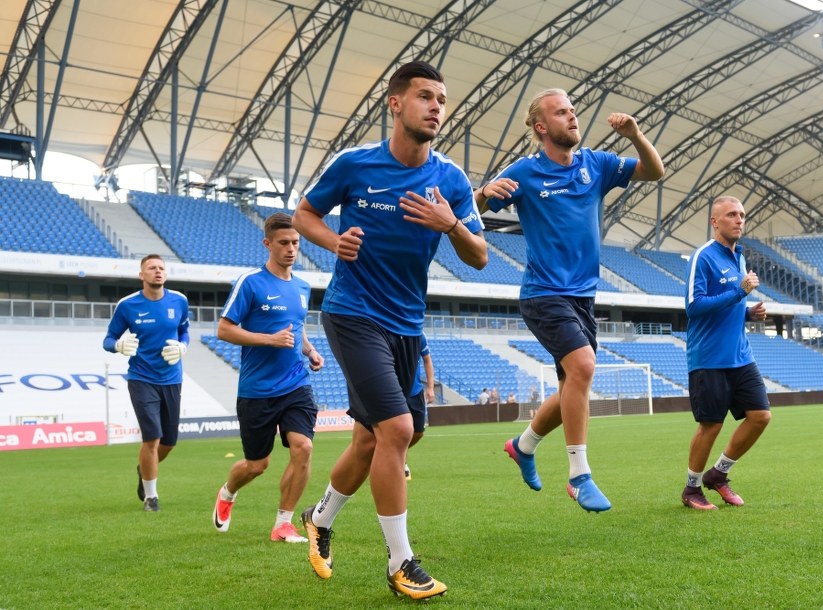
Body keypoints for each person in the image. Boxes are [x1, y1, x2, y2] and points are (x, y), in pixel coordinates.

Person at [292, 61, 487, 599]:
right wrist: (334, 242)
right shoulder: (355, 164)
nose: (436, 107)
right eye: (425, 96)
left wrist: (450, 224)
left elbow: (479, 256)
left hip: (407, 325)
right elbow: (304, 214)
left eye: (441, 99)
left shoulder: (451, 180)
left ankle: (319, 518)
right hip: (353, 313)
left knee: (379, 439)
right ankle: (401, 564)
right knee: (396, 431)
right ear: (395, 103)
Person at [476, 88, 664, 513]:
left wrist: (635, 135)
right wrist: (484, 192)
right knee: (583, 366)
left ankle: (524, 445)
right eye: (562, 112)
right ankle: (579, 476)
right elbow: (468, 212)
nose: (572, 117)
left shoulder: (595, 164)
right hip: (544, 293)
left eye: (573, 111)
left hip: (583, 297)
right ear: (541, 126)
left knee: (571, 387)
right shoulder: (525, 171)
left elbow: (654, 171)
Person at [211, 212, 325, 541]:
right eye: (284, 243)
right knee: (256, 465)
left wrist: (310, 350)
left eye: (295, 243)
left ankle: (283, 524)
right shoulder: (250, 282)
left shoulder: (302, 286)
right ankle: (228, 492)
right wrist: (268, 340)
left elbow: (296, 327)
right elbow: (224, 329)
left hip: (295, 383)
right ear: (268, 243)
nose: (291, 249)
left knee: (303, 447)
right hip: (257, 389)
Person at [680, 195, 771, 510]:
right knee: (711, 425)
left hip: (741, 356)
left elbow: (731, 305)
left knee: (760, 416)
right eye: (731, 214)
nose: (739, 220)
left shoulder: (739, 257)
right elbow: (694, 307)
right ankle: (691, 489)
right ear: (714, 221)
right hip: (709, 357)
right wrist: (739, 292)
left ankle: (718, 474)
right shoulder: (703, 256)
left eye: (742, 215)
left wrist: (748, 313)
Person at [103, 254, 189, 513]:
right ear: (142, 275)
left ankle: (144, 469)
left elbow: (184, 330)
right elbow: (108, 339)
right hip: (141, 378)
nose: (157, 271)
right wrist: (118, 345)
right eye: (152, 268)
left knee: (168, 443)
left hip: (172, 378)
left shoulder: (179, 300)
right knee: (152, 438)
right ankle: (151, 497)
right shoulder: (127, 305)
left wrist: (183, 346)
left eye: (161, 267)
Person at [405, 333, 435, 481]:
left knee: (418, 432)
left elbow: (427, 360)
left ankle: (392, 452)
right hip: (396, 391)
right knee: (402, 431)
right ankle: (402, 464)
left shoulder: (419, 335)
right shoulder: (390, 331)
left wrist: (430, 387)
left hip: (415, 391)